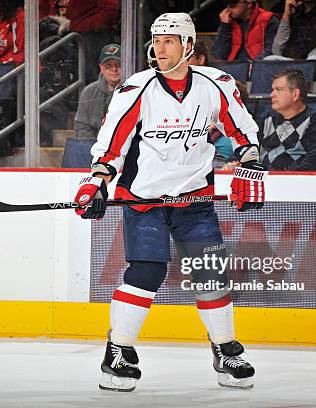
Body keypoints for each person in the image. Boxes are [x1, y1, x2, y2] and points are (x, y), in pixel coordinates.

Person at [73, 13, 266, 392]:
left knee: (211, 272)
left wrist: (250, 167)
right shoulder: (136, 88)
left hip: (194, 201)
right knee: (147, 272)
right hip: (146, 200)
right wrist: (96, 181)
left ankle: (225, 350)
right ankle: (118, 353)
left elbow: (244, 133)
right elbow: (113, 144)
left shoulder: (216, 85)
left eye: (169, 40)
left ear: (188, 46)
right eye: (156, 40)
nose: (159, 48)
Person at [258, 69, 316, 170]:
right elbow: (250, 150)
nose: (272, 94)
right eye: (273, 90)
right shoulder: (266, 118)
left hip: (297, 182)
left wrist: (287, 179)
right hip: (262, 181)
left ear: (295, 94)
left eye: (278, 90)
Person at [74, 43, 122, 139]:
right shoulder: (88, 92)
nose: (114, 69)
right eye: (109, 65)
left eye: (118, 64)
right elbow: (81, 126)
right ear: (101, 67)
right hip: (94, 149)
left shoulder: (136, 90)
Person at [211, 0, 279, 62]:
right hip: (233, 67)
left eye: (232, 5)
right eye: (227, 4)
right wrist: (224, 26)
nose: (228, 9)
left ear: (249, 3)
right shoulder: (228, 22)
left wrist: (254, 65)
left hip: (259, 67)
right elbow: (219, 54)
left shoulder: (268, 20)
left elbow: (272, 51)